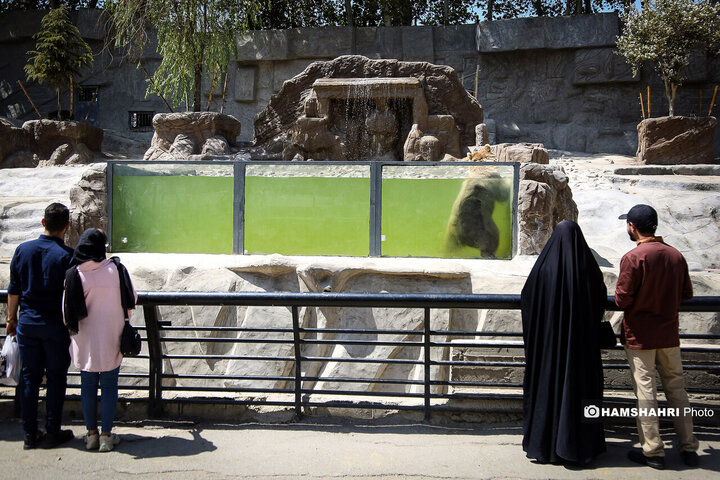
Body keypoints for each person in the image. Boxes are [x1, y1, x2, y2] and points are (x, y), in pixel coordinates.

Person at [615, 204, 698, 470]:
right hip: (669, 335)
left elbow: (621, 299)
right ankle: (689, 447)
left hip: (640, 337)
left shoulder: (633, 258)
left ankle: (653, 450)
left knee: (646, 393)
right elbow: (687, 293)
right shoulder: (675, 255)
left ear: (632, 227)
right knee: (677, 389)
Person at [520, 220, 607, 465]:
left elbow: (527, 299)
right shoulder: (587, 268)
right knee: (582, 391)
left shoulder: (543, 268)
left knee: (546, 390)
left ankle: (543, 445)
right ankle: (583, 448)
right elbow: (600, 299)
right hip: (581, 350)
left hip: (547, 350)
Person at [6, 203, 75, 449]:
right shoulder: (68, 256)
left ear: (43, 223)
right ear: (67, 226)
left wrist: (11, 319)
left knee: (29, 378)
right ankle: (53, 430)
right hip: (56, 327)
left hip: (27, 325)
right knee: (56, 378)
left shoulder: (22, 250)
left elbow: (13, 290)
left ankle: (29, 433)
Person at [63, 228, 136, 452]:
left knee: (87, 385)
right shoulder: (116, 269)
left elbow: (66, 312)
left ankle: (91, 434)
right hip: (112, 335)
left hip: (84, 338)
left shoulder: (75, 273)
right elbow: (131, 299)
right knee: (109, 385)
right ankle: (106, 435)